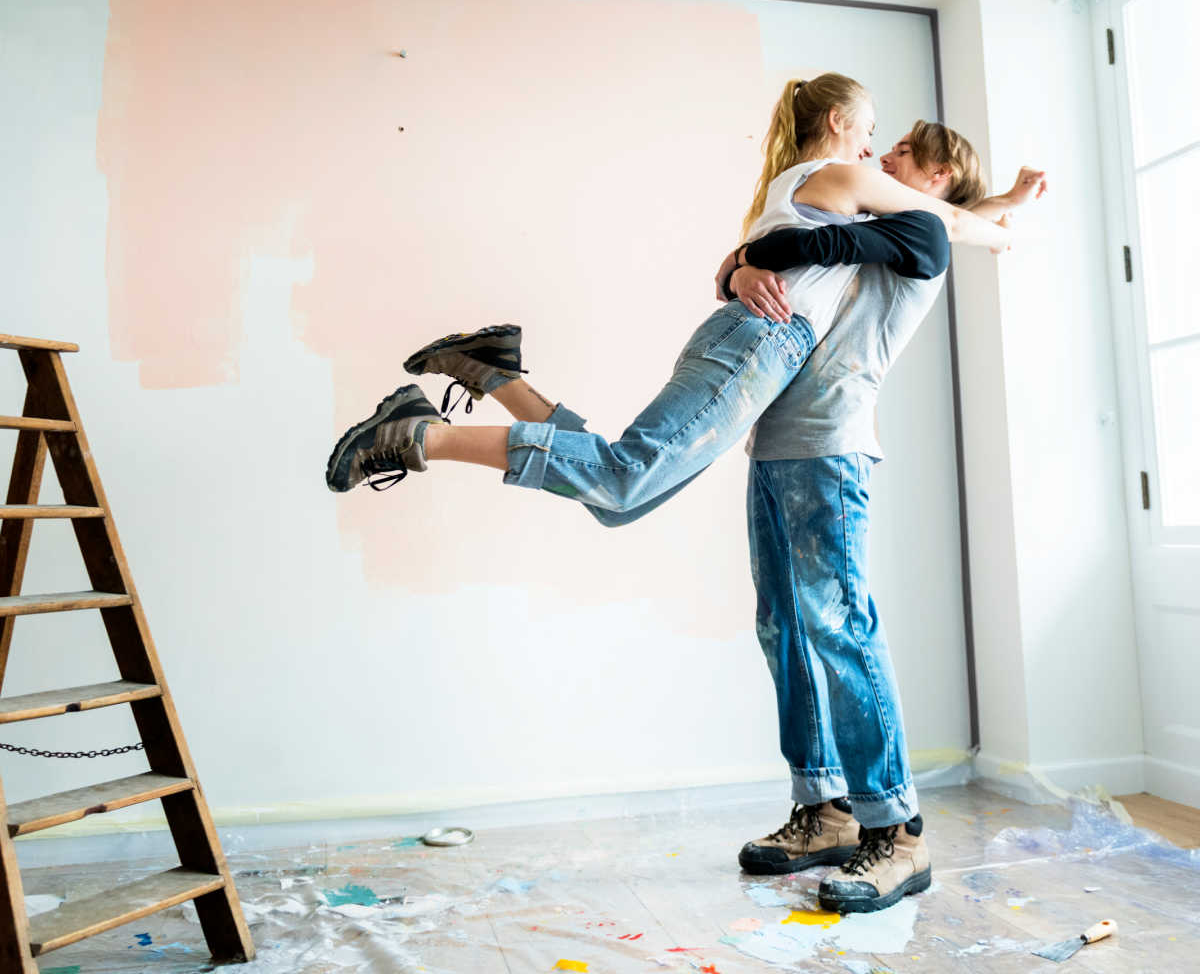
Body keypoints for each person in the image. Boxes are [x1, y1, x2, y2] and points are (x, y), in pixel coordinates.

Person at [325, 75, 1011, 506]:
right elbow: (943, 219)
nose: (872, 148)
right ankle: (418, 434)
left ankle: (494, 370)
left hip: (757, 340)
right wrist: (1011, 227)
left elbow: (934, 222)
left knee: (619, 494)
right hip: (763, 340)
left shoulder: (810, 185)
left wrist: (1004, 201)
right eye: (868, 129)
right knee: (624, 481)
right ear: (837, 124)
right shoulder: (838, 175)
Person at [717, 124, 1046, 914]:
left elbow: (804, 240)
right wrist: (736, 268)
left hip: (830, 449)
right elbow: (773, 246)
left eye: (900, 152)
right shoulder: (883, 221)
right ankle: (824, 809)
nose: (880, 157)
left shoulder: (918, 231)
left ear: (933, 177)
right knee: (784, 627)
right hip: (775, 445)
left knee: (840, 628)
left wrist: (743, 261)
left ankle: (895, 833)